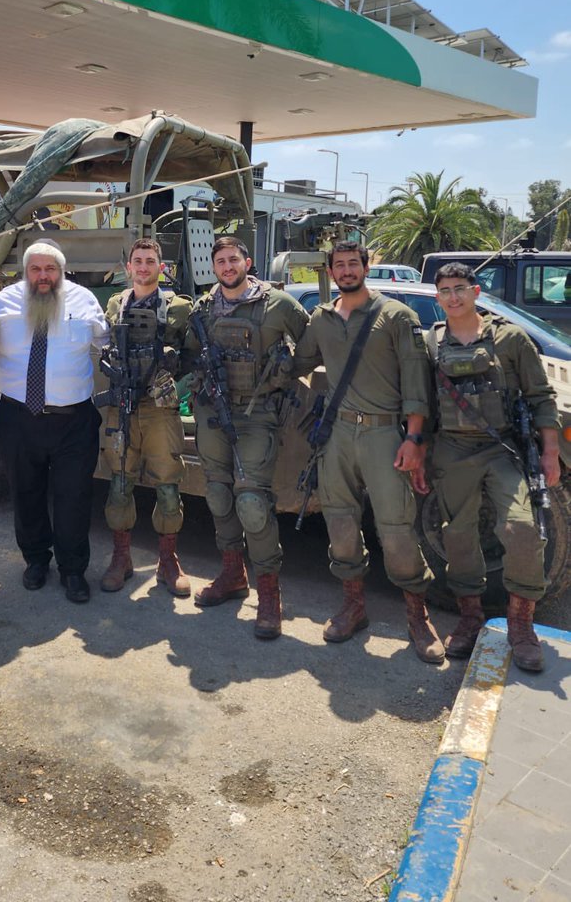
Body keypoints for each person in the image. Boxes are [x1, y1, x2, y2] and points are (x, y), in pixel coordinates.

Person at [293, 243, 444, 663]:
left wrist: (414, 440)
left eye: (352, 264)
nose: (345, 270)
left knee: (396, 527)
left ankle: (417, 616)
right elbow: (298, 362)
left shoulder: (397, 316)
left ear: (365, 267)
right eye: (338, 265)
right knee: (339, 520)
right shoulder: (321, 318)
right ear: (330, 270)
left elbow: (417, 383)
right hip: (337, 433)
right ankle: (353, 605)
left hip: (384, 436)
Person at [420, 262, 560, 671]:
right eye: (444, 290)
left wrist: (550, 452)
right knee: (458, 535)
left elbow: (540, 397)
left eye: (459, 289)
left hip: (502, 450)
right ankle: (469, 616)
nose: (453, 297)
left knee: (522, 528)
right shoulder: (432, 344)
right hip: (452, 450)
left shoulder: (510, 338)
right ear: (438, 296)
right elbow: (424, 404)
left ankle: (520, 624)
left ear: (475, 291)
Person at [185, 237, 308, 639]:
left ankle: (269, 594)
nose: (226, 266)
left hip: (258, 415)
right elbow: (190, 352)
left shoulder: (279, 305)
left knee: (253, 502)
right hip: (213, 410)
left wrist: (284, 371)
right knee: (218, 494)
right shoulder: (203, 307)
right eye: (219, 260)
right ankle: (232, 574)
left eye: (233, 259)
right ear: (214, 266)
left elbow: (311, 347)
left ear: (247, 262)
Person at [0, 240, 108, 603]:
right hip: (18, 416)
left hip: (73, 421)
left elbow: (107, 344)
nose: (43, 277)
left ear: (62, 270)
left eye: (50, 269)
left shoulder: (85, 300)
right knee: (26, 494)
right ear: (25, 271)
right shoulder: (2, 302)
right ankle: (36, 561)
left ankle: (73, 570)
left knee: (73, 497)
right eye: (36, 269)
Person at [99, 238, 193, 597]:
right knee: (119, 482)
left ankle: (168, 561)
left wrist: (175, 382)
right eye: (137, 261)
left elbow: (194, 357)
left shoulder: (180, 308)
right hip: (121, 405)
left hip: (158, 409)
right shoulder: (114, 304)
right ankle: (121, 558)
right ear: (128, 267)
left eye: (149, 260)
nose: (142, 266)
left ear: (161, 266)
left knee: (168, 486)